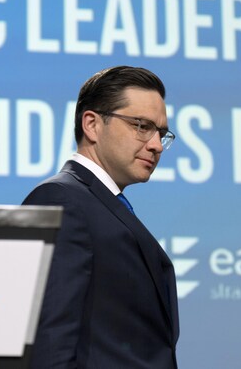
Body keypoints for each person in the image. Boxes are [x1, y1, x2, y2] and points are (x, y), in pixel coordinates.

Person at [24, 66, 179, 368]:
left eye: (161, 133)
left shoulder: (99, 204)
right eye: (141, 126)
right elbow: (49, 341)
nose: (156, 145)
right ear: (92, 125)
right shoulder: (62, 200)